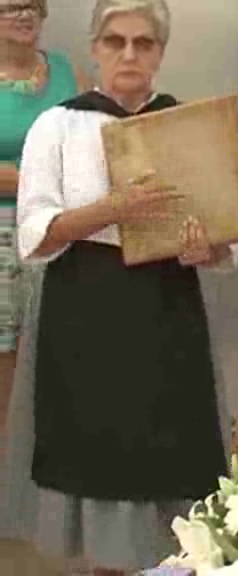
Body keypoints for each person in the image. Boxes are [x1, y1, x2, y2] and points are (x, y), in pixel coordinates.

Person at [2, 1, 238, 573]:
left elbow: (223, 241)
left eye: (143, 43)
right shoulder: (56, 124)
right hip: (85, 307)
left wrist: (202, 246)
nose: (129, 54)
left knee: (166, 443)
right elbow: (34, 233)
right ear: (95, 49)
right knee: (99, 447)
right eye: (115, 42)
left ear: (159, 52)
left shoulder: (189, 125)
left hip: (165, 304)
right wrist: (112, 209)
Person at [0, 0, 86, 409]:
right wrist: (40, 181)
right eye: (12, 5)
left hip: (63, 231)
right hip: (3, 233)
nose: (24, 13)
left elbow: (94, 140)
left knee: (60, 357)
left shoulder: (66, 70)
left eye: (33, 4)